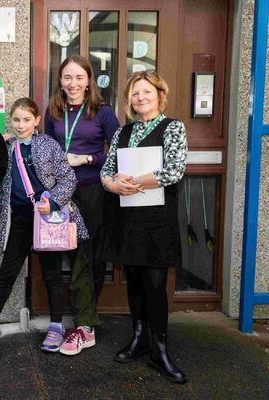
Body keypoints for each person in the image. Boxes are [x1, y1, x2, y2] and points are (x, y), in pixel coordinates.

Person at [0, 97, 89, 354]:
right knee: (7, 271)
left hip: (47, 220)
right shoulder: (7, 148)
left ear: (37, 121)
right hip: (20, 220)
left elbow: (68, 179)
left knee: (52, 274)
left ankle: (56, 327)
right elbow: (2, 189)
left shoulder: (49, 146)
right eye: (17, 120)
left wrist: (52, 202)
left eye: (26, 120)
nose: (21, 125)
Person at [100, 70, 188, 384]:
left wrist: (135, 180)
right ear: (129, 100)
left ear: (159, 95)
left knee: (155, 284)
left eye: (146, 92)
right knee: (134, 282)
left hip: (157, 221)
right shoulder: (123, 132)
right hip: (129, 219)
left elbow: (174, 170)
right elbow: (107, 170)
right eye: (135, 93)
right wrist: (112, 184)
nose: (140, 98)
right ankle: (140, 339)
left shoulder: (172, 127)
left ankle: (160, 350)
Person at [44, 54, 118, 352]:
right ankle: (81, 320)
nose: (72, 83)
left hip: (91, 191)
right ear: (60, 81)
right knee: (69, 253)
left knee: (89, 256)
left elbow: (116, 152)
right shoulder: (53, 111)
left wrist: (88, 158)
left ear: (89, 81)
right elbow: (46, 147)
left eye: (78, 77)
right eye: (67, 77)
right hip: (63, 192)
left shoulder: (103, 112)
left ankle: (85, 324)